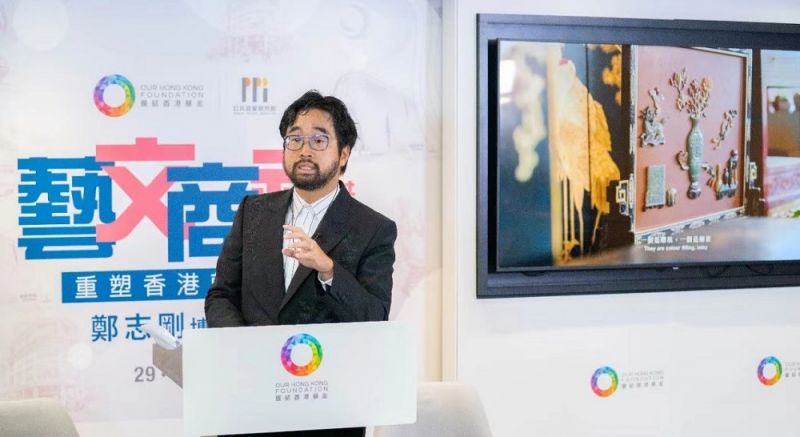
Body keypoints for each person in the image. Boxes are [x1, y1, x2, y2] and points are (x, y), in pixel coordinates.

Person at [205, 90, 397, 437]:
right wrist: (246, 347)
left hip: (328, 407)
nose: (304, 150)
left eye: (319, 140)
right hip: (251, 400)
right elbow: (221, 296)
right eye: (294, 139)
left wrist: (329, 271)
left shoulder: (373, 229)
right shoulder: (253, 213)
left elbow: (375, 317)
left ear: (344, 153)